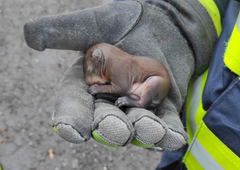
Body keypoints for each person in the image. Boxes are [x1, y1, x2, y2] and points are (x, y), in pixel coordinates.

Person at [23, 0, 240, 169]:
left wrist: (102, 89)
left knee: (145, 93)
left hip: (160, 93)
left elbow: (118, 86)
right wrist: (179, 13)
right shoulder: (112, 63)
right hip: (187, 144)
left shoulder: (118, 70)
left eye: (93, 73)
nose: (93, 78)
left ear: (100, 60)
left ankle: (138, 101)